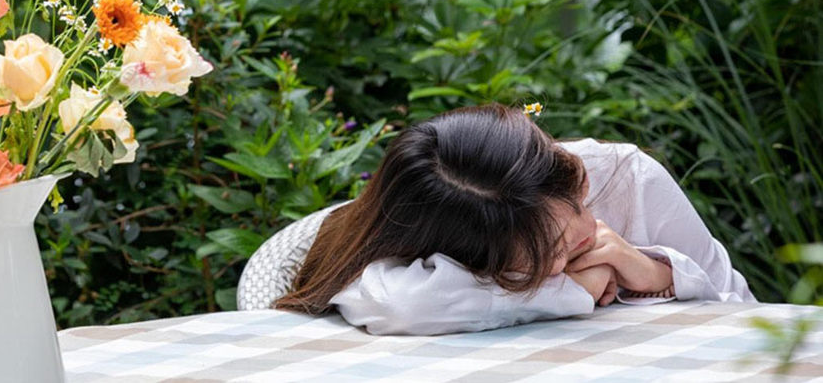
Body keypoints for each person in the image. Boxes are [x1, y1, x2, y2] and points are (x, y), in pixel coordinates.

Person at [272, 103, 758, 335]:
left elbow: (748, 317)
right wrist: (571, 291)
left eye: (578, 203)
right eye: (549, 254)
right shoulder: (430, 224)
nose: (585, 235)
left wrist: (656, 274)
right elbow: (400, 306)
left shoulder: (628, 178)